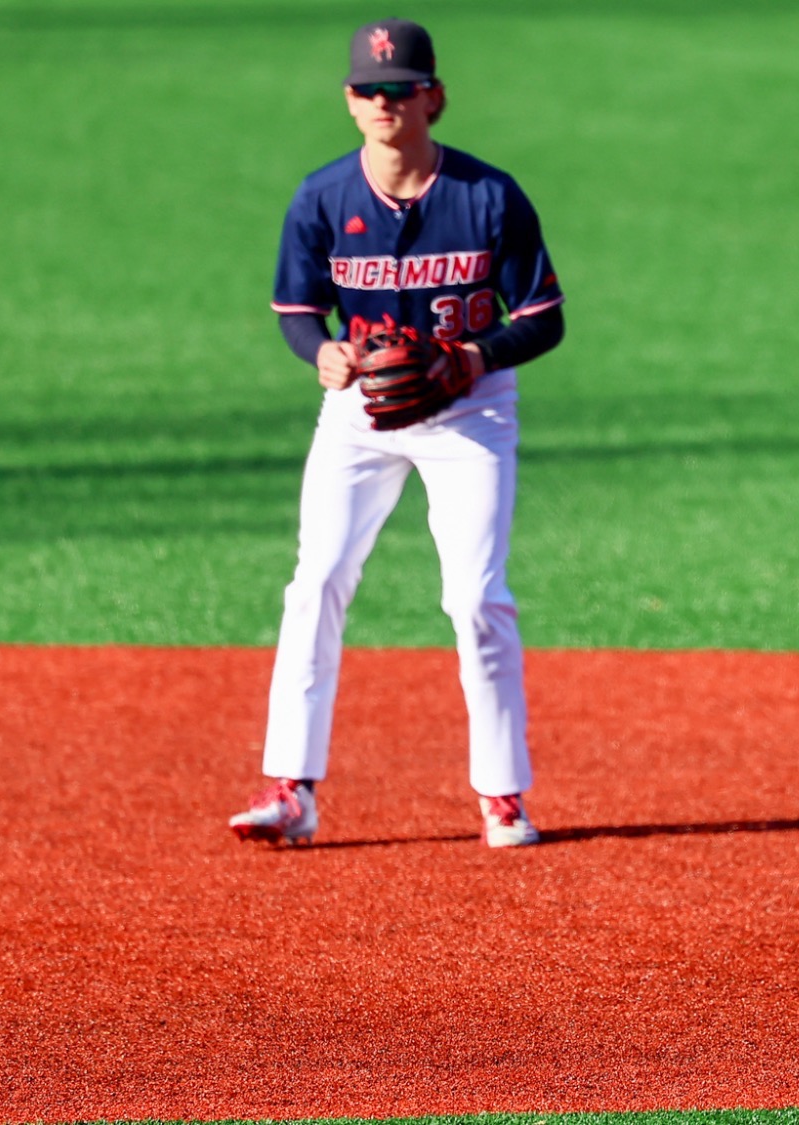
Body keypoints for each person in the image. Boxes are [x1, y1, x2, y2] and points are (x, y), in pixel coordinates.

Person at [229, 18, 565, 848]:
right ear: (350, 101)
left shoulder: (489, 196)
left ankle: (502, 795)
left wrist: (474, 357)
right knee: (316, 580)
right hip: (361, 414)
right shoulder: (322, 198)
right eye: (369, 90)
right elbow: (298, 311)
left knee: (475, 596)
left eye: (401, 89)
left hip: (471, 410)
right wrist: (322, 352)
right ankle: (292, 789)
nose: (385, 102)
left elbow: (544, 317)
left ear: (433, 98)